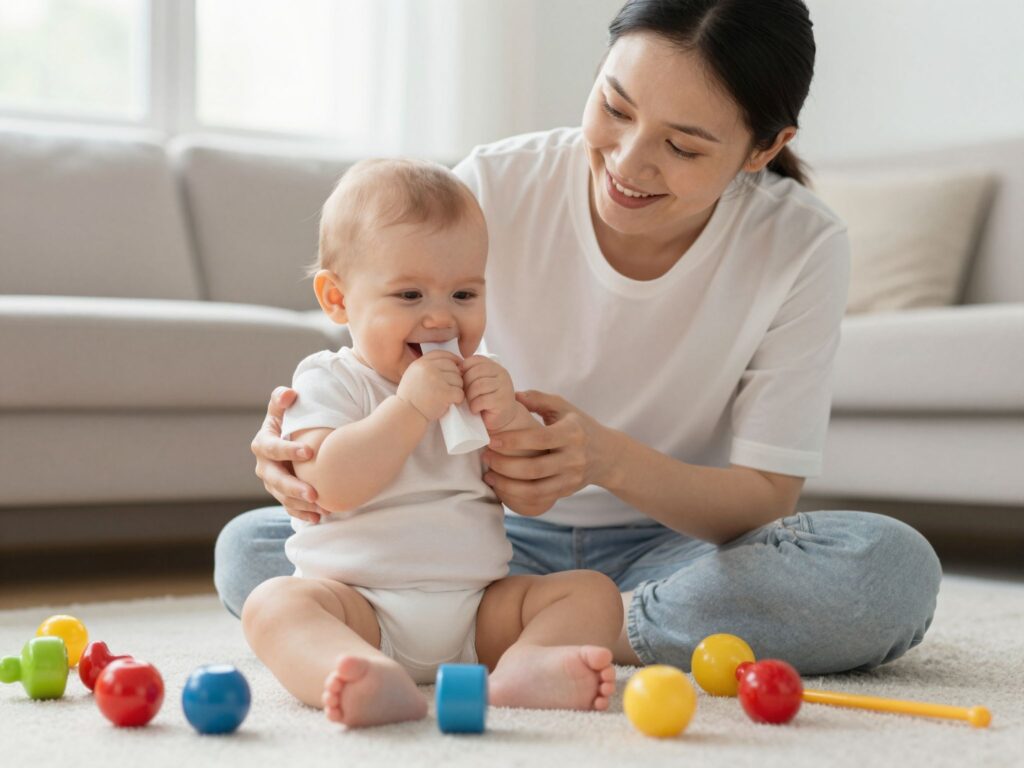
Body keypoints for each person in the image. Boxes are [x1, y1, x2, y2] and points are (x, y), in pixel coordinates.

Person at [219, 0, 942, 677]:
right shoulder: (493, 186)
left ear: (765, 148)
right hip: (477, 545)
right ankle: (536, 635)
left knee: (886, 571)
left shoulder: (800, 244)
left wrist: (602, 457)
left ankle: (582, 624)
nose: (628, 162)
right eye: (614, 107)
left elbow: (764, 499)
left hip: (674, 550)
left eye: (683, 146)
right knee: (251, 550)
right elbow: (365, 349)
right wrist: (299, 447)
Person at [240, 158, 622, 728]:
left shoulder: (479, 376)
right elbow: (332, 487)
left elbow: (530, 497)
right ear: (337, 300)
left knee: (593, 594)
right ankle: (363, 671)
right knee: (273, 605)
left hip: (476, 609)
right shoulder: (330, 380)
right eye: (411, 295)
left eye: (464, 294)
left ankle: (525, 666)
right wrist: (410, 408)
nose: (441, 318)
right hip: (360, 603)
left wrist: (513, 420)